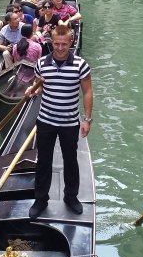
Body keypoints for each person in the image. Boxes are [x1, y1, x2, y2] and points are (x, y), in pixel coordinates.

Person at [24, 23, 93, 218]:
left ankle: (71, 197)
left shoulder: (80, 65)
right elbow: (39, 88)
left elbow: (87, 92)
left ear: (70, 42)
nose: (60, 48)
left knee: (71, 160)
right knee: (43, 161)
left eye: (64, 44)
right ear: (51, 43)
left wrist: (87, 119)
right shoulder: (42, 64)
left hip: (70, 122)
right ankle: (40, 199)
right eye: (56, 44)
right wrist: (32, 90)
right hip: (45, 120)